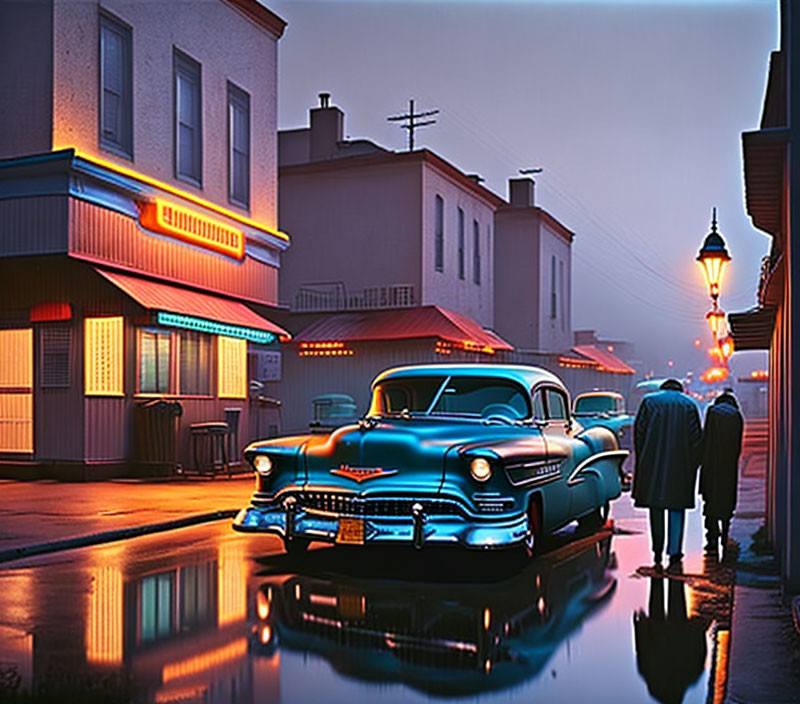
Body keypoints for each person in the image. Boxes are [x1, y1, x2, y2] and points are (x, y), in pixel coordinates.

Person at [633, 378, 702, 573]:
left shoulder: (649, 402)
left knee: (656, 509)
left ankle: (657, 552)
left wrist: (643, 459)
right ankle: (675, 553)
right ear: (680, 390)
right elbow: (696, 439)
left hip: (652, 464)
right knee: (676, 509)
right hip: (681, 466)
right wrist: (692, 465)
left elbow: (639, 434)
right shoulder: (689, 405)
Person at [699, 388, 744, 558]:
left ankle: (711, 538)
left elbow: (705, 438)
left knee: (710, 501)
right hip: (728, 466)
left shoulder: (712, 412)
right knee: (727, 500)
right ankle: (725, 534)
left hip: (711, 465)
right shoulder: (737, 416)